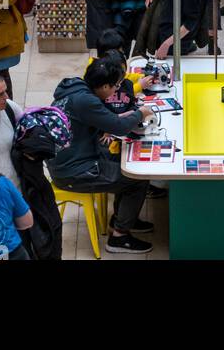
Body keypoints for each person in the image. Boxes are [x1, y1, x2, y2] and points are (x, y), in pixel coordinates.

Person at [51, 58, 154, 254]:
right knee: (137, 178)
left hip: (74, 157)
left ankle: (122, 219)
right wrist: (141, 113)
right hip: (74, 171)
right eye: (115, 86)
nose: (116, 90)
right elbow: (118, 126)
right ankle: (119, 237)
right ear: (104, 85)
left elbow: (107, 120)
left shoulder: (76, 88)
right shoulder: (86, 101)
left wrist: (120, 118)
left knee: (123, 159)